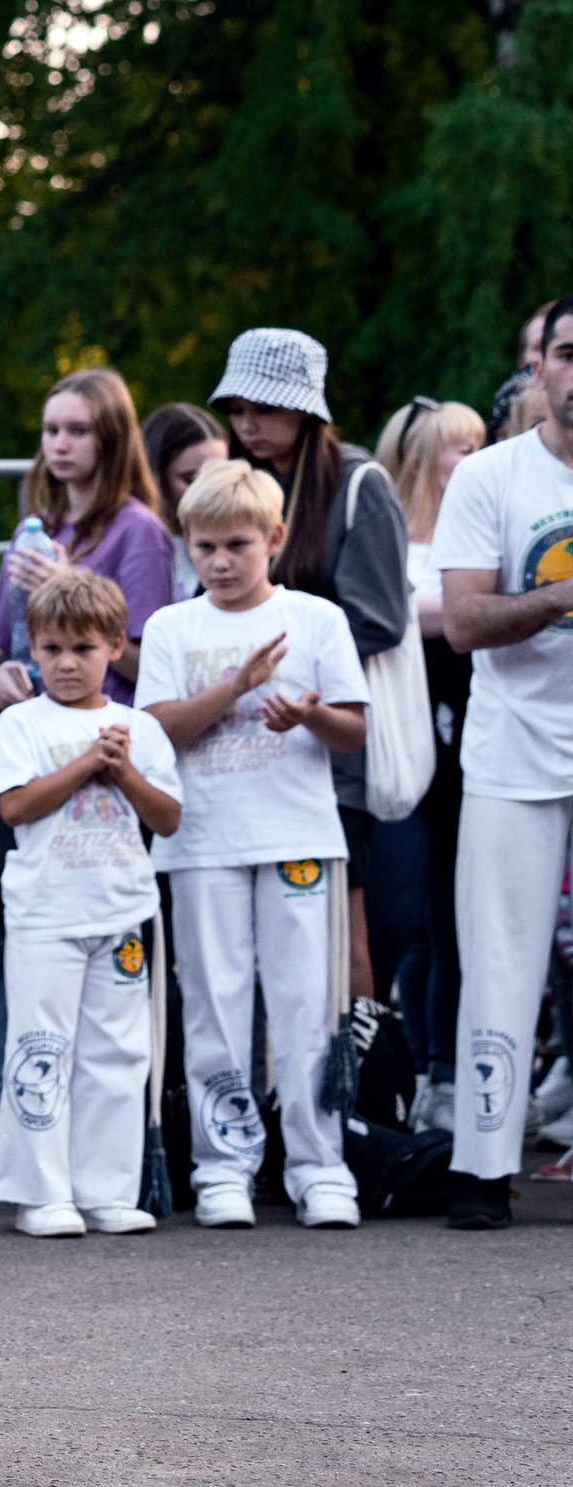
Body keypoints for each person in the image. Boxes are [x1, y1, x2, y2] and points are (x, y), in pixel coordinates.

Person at [138, 461, 370, 1229]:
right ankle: (224, 1164)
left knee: (308, 1005)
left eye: (238, 543)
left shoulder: (317, 618)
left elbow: (355, 730)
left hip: (298, 832)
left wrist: (305, 716)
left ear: (273, 537)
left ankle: (318, 1164)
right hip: (203, 842)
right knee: (214, 1006)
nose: (221, 562)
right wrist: (235, 687)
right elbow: (157, 732)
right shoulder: (174, 626)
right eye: (204, 546)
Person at [0, 571, 182, 1237]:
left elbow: (169, 817)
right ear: (32, 650)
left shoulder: (139, 727)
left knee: (117, 1055)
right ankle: (40, 1191)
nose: (68, 663)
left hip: (120, 909)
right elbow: (14, 806)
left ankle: (107, 1188)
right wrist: (87, 763)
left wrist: (122, 770)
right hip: (45, 912)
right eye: (53, 649)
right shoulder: (20, 723)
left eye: (84, 648)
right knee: (40, 1046)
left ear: (116, 646)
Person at [208, 328, 411, 1001]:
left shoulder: (358, 483)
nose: (248, 423)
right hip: (244, 743)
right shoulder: (236, 482)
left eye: (263, 408)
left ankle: (353, 1090)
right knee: (250, 938)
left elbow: (380, 618)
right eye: (237, 409)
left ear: (305, 407)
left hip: (330, 744)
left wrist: (276, 642)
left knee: (339, 927)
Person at [432, 295, 573, 1230]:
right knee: (500, 956)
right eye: (569, 352)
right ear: (541, 369)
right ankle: (484, 1164)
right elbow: (465, 619)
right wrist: (559, 599)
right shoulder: (489, 476)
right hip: (514, 751)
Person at [371, 397, 487, 1133]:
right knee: (415, 919)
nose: (475, 458)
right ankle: (417, 1062)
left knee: (455, 919)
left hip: (474, 741)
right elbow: (404, 615)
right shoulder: (399, 541)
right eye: (459, 447)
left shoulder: (479, 530)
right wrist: (479, 604)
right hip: (412, 745)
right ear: (422, 458)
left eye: (481, 443)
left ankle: (448, 1068)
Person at [0, 368, 173, 706]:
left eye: (79, 431)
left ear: (112, 438)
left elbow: (152, 670)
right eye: (51, 430)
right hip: (31, 723)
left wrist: (73, 592)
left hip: (101, 727)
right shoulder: (31, 530)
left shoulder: (139, 530)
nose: (60, 445)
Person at [142, 402, 228, 602]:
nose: (209, 490)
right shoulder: (143, 539)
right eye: (191, 479)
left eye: (220, 476)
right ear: (156, 479)